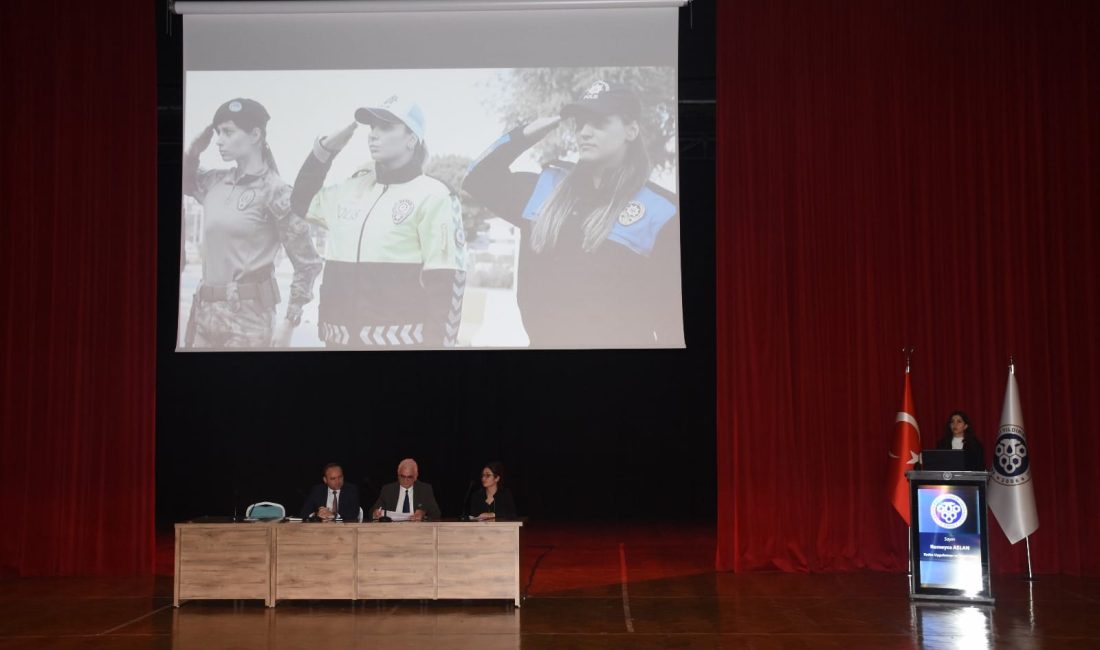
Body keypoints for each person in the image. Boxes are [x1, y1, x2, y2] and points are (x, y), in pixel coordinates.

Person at [463, 80, 681, 347]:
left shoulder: (662, 211)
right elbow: (477, 179)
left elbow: (672, 321)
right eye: (580, 123)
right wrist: (527, 133)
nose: (584, 132)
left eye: (599, 122)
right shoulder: (545, 188)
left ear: (631, 130)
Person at [289, 95, 466, 348]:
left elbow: (447, 284)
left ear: (411, 139)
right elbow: (299, 202)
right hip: (336, 341)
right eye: (372, 127)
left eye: (385, 127)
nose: (373, 134)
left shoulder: (435, 195)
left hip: (399, 345)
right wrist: (325, 150)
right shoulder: (351, 189)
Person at [181, 98, 323, 348]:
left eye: (228, 132)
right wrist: (193, 151)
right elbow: (183, 182)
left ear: (255, 134)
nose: (219, 140)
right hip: (205, 313)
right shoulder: (215, 182)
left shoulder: (276, 192)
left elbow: (308, 263)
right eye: (217, 133)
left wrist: (290, 322)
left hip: (248, 319)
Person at [371, 458, 441, 521]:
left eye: (409, 477)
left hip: (417, 530)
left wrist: (423, 514)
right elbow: (373, 511)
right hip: (393, 530)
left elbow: (436, 514)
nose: (405, 480)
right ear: (398, 475)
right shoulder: (388, 490)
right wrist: (375, 513)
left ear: (416, 476)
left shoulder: (424, 490)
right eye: (402, 476)